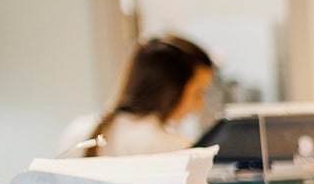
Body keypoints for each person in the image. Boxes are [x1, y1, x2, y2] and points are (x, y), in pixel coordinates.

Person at [59, 36, 216, 156]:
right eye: (198, 93)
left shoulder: (77, 131)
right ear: (170, 90)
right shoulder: (175, 149)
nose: (200, 106)